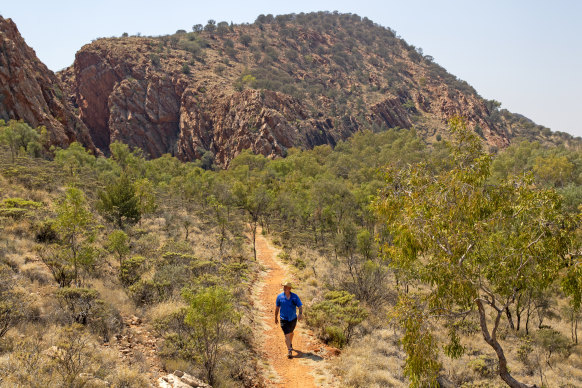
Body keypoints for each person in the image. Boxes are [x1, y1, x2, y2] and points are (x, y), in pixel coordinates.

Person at [275, 281, 303, 358]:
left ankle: (290, 344)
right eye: (284, 287)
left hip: (293, 319)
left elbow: (300, 306)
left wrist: (300, 314)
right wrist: (275, 317)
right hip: (283, 319)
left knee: (291, 333)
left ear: (289, 288)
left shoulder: (294, 297)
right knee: (286, 335)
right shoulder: (280, 297)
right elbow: (277, 308)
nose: (284, 288)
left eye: (286, 287)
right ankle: (289, 350)